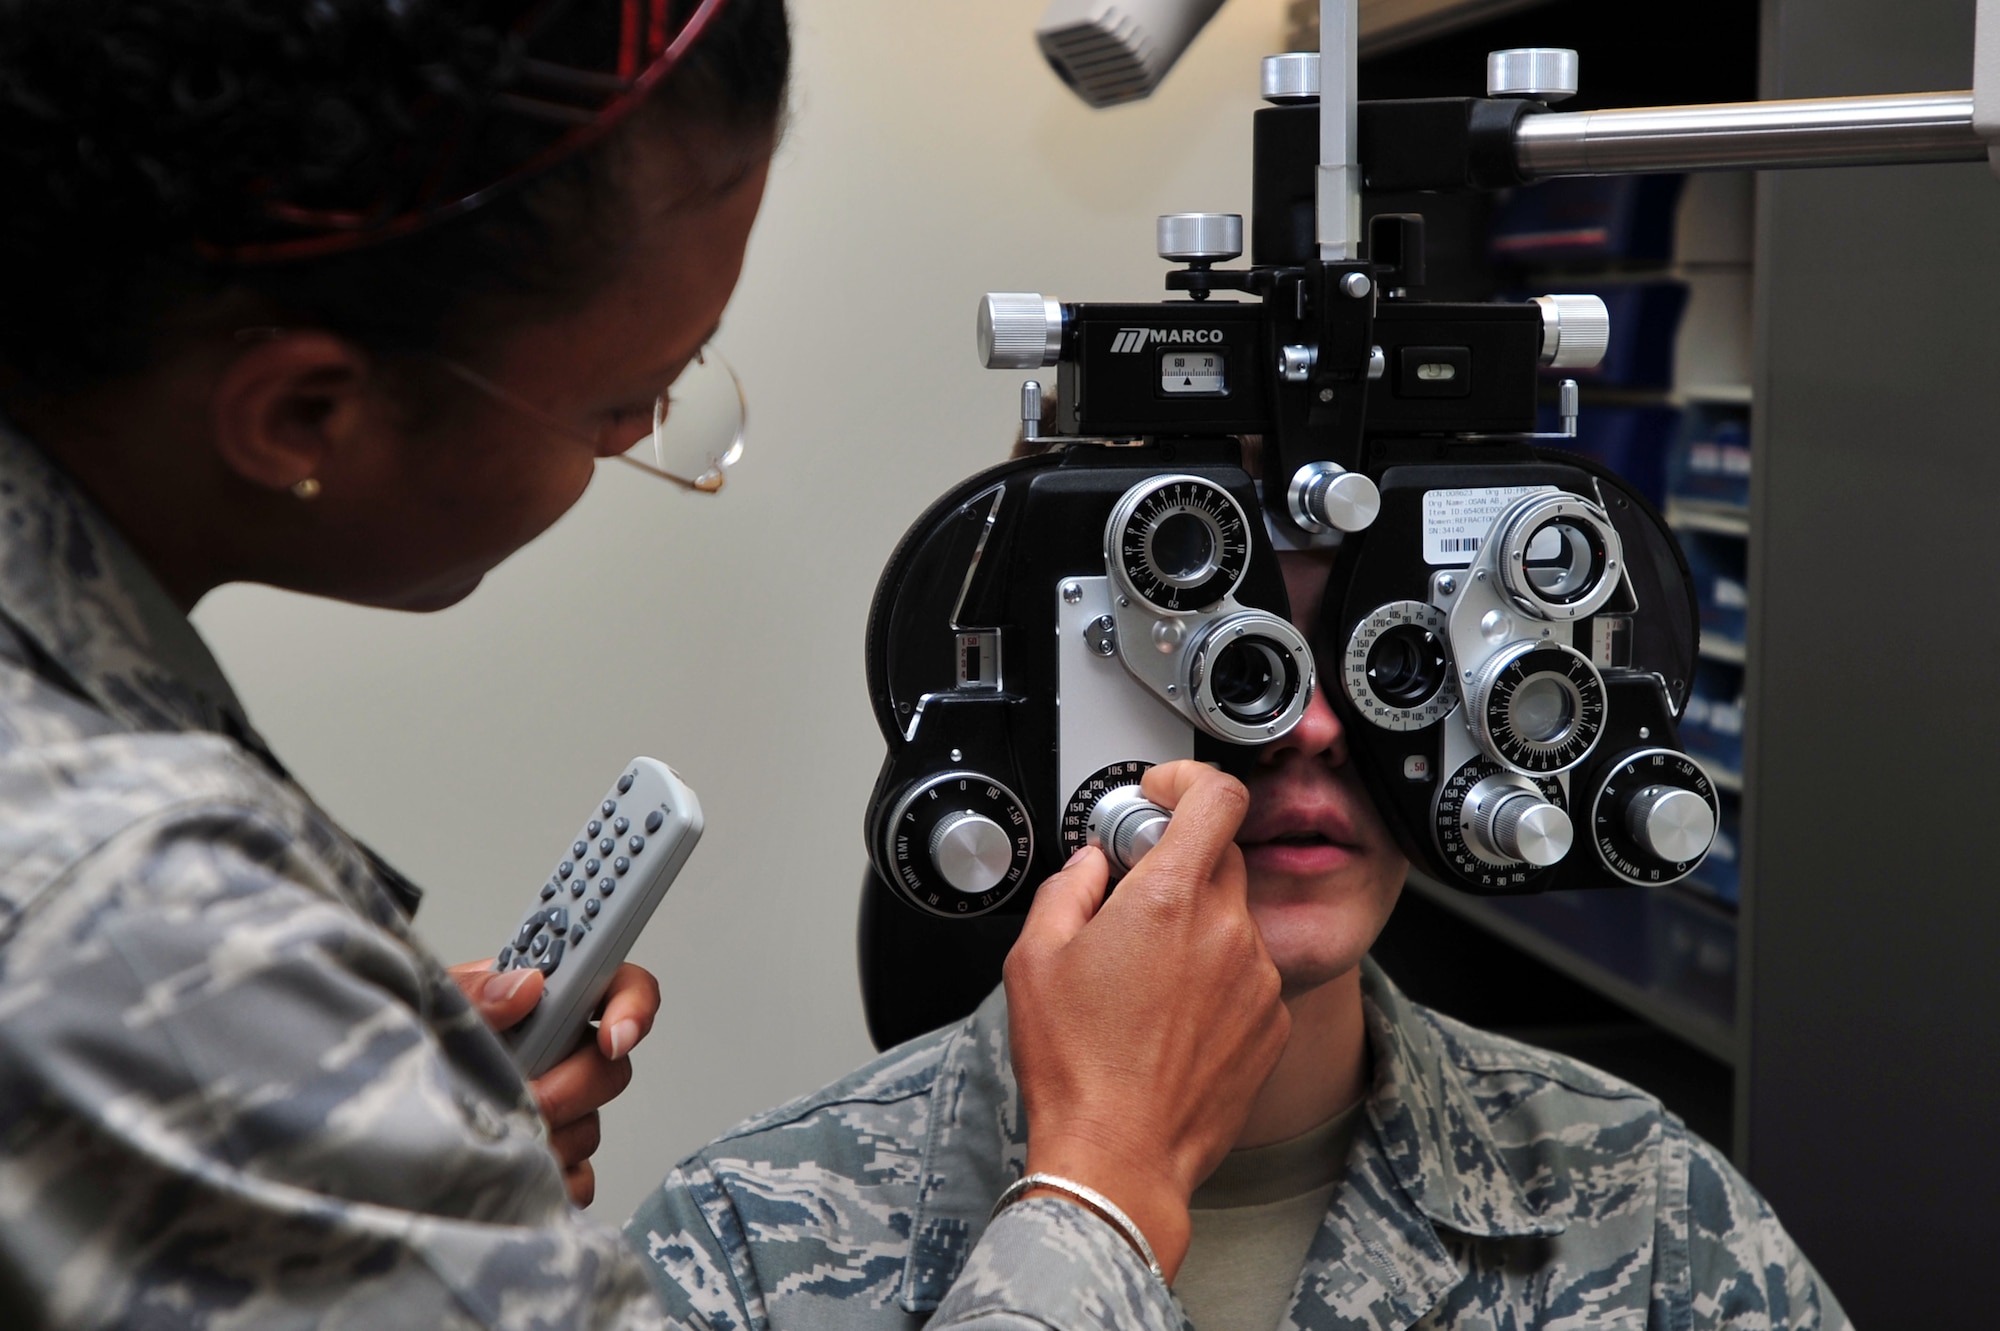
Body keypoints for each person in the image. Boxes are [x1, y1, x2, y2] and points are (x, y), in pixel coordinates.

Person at [0, 3, 1293, 1327]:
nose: (659, 435)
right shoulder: (138, 914)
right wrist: (1111, 1180)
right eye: (625, 402)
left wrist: (349, 1151)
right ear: (300, 416)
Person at [625, 463, 1851, 1328]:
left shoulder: (1643, 1212)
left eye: (1391, 656)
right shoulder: (747, 1239)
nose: (1309, 724)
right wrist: (1093, 1201)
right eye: (1230, 663)